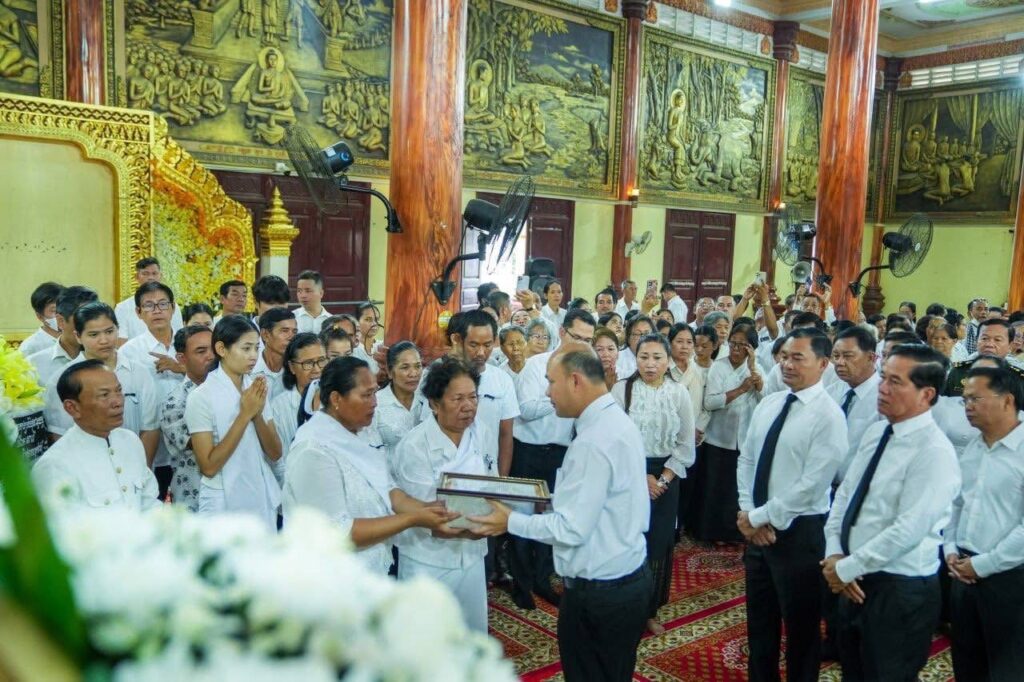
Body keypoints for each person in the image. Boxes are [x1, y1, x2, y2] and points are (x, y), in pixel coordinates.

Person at [470, 345, 653, 682]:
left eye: (551, 382)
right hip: (625, 577)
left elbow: (571, 529)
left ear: (575, 381)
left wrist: (509, 520)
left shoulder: (593, 441)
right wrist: (550, 501)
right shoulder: (614, 421)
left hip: (600, 592)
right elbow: (601, 500)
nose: (547, 393)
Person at [822, 345, 960, 682]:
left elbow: (908, 529)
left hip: (899, 588)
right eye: (883, 378)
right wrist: (835, 552)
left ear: (927, 394)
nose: (882, 388)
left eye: (895, 382)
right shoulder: (878, 432)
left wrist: (845, 568)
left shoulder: (934, 452)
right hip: (853, 575)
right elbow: (845, 495)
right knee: (853, 670)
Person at [738, 329, 847, 682]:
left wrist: (757, 516)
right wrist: (747, 511)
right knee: (760, 623)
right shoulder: (770, 404)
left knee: (801, 630)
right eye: (784, 356)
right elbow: (747, 459)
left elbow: (812, 485)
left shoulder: (829, 416)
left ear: (823, 363)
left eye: (798, 357)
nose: (787, 364)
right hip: (757, 530)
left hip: (801, 533)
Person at [282, 356, 458, 575]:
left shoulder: (361, 431)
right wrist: (412, 519)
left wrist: (430, 510)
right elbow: (338, 533)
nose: (375, 402)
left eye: (375, 392)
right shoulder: (313, 451)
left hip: (370, 571)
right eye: (366, 395)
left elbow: (388, 489)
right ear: (336, 398)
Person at [393, 357, 496, 632]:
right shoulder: (415, 446)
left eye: (473, 397)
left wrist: (498, 514)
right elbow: (426, 512)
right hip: (429, 560)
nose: (468, 406)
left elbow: (492, 485)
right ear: (435, 404)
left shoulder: (482, 433)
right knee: (426, 639)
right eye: (458, 399)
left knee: (470, 634)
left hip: (472, 555)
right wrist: (491, 523)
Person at [510, 308, 596, 609]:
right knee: (522, 517)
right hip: (529, 451)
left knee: (553, 516)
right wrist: (560, 393)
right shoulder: (537, 365)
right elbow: (525, 410)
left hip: (561, 453)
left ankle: (542, 579)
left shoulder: (587, 372)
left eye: (588, 340)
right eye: (577, 337)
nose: (583, 345)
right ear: (561, 332)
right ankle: (520, 584)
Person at [944, 366, 1024, 682]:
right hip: (963, 572)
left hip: (1009, 579)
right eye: (964, 400)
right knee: (967, 662)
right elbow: (957, 503)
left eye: (975, 399)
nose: (968, 406)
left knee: (1007, 668)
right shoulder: (974, 446)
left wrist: (983, 565)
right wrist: (950, 547)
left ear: (1007, 400)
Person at [612, 333, 694, 635]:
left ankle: (648, 610)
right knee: (626, 539)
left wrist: (662, 478)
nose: (650, 364)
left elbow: (686, 444)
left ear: (668, 360)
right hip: (627, 474)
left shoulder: (679, 393)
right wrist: (640, 476)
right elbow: (613, 439)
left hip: (667, 476)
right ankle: (621, 606)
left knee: (657, 543)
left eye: (657, 357)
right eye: (643, 357)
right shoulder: (622, 389)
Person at [185, 315, 283, 529]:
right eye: (246, 348)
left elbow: (275, 452)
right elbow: (209, 466)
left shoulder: (256, 387)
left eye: (256, 348)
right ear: (221, 349)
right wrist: (245, 415)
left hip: (260, 494)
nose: (253, 356)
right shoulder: (201, 397)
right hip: (221, 500)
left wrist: (256, 414)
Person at [33, 360, 160, 511]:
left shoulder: (130, 441)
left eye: (118, 390)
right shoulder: (55, 465)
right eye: (104, 395)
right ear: (72, 408)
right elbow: (59, 524)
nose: (118, 402)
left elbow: (148, 502)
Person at [43, 303, 160, 463]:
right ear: (78, 336)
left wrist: (140, 469)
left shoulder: (139, 373)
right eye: (93, 335)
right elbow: (60, 435)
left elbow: (150, 429)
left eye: (109, 332)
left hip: (133, 465)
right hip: (86, 467)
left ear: (118, 330)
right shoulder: (61, 379)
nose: (104, 340)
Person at [695, 323, 763, 543]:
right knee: (715, 487)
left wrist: (755, 373)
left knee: (735, 488)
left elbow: (766, 401)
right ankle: (709, 532)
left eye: (742, 345)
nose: (735, 349)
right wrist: (741, 389)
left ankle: (733, 534)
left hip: (744, 439)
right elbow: (711, 402)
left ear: (751, 348)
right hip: (718, 437)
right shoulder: (719, 366)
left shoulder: (757, 368)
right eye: (733, 344)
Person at [121, 282, 185, 496]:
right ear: (138, 313)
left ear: (173, 308)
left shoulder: (190, 343)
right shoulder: (129, 352)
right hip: (152, 445)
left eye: (162, 304)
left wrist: (181, 368)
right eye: (149, 305)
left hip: (190, 441)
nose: (157, 311)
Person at [160, 325, 215, 511]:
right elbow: (204, 445)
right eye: (201, 351)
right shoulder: (175, 402)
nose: (211, 356)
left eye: (213, 349)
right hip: (194, 497)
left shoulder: (231, 391)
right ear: (182, 358)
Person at [828, 326, 883, 481]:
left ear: (871, 358)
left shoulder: (885, 398)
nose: (839, 362)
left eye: (848, 356)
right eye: (836, 356)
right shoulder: (830, 393)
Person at [270, 333, 326, 482]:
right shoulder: (278, 407)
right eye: (308, 363)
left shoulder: (338, 400)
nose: (317, 369)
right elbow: (278, 463)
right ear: (292, 367)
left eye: (321, 361)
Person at [27, 285, 98, 385]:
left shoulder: (112, 358)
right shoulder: (33, 365)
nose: (91, 326)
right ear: (60, 321)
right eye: (83, 318)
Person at [373, 341, 423, 473]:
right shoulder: (376, 404)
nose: (413, 373)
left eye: (418, 366)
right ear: (390, 372)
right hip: (387, 479)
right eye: (405, 367)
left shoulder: (428, 401)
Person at [945, 319, 1023, 396]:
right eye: (984, 338)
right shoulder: (958, 372)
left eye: (997, 340)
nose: (989, 344)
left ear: (1010, 346)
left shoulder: (1017, 378)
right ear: (976, 341)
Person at [114, 258, 184, 340]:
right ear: (136, 277)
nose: (150, 278)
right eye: (145, 274)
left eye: (154, 273)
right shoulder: (122, 308)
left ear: (160, 276)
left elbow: (179, 336)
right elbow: (121, 341)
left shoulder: (170, 305)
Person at [253, 307, 297, 399]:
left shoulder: (296, 370)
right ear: (265, 335)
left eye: (294, 331)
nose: (291, 337)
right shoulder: (249, 370)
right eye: (284, 331)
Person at [18, 282, 63, 357]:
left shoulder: (77, 338)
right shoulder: (28, 347)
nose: (62, 315)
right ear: (40, 316)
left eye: (65, 309)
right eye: (55, 311)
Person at [293, 270, 332, 334]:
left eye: (308, 291)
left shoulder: (331, 321)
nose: (303, 295)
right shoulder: (292, 318)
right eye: (299, 291)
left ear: (321, 293)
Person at [619, 314, 655, 378]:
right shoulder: (617, 358)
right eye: (637, 334)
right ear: (628, 338)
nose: (643, 338)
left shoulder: (658, 357)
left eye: (647, 333)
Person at [354, 302, 383, 375]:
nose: (374, 324)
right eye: (368, 319)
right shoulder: (352, 349)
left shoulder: (382, 345)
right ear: (357, 321)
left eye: (376, 319)